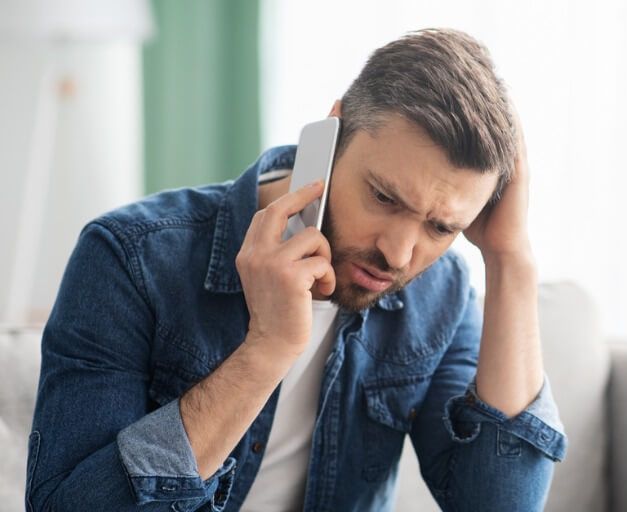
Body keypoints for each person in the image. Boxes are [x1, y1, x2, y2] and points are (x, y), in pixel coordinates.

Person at [26, 28, 565, 512]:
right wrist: (265, 350)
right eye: (383, 196)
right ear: (329, 137)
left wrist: (509, 258)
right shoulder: (129, 258)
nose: (399, 254)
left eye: (441, 228)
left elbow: (498, 504)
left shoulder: (440, 294)